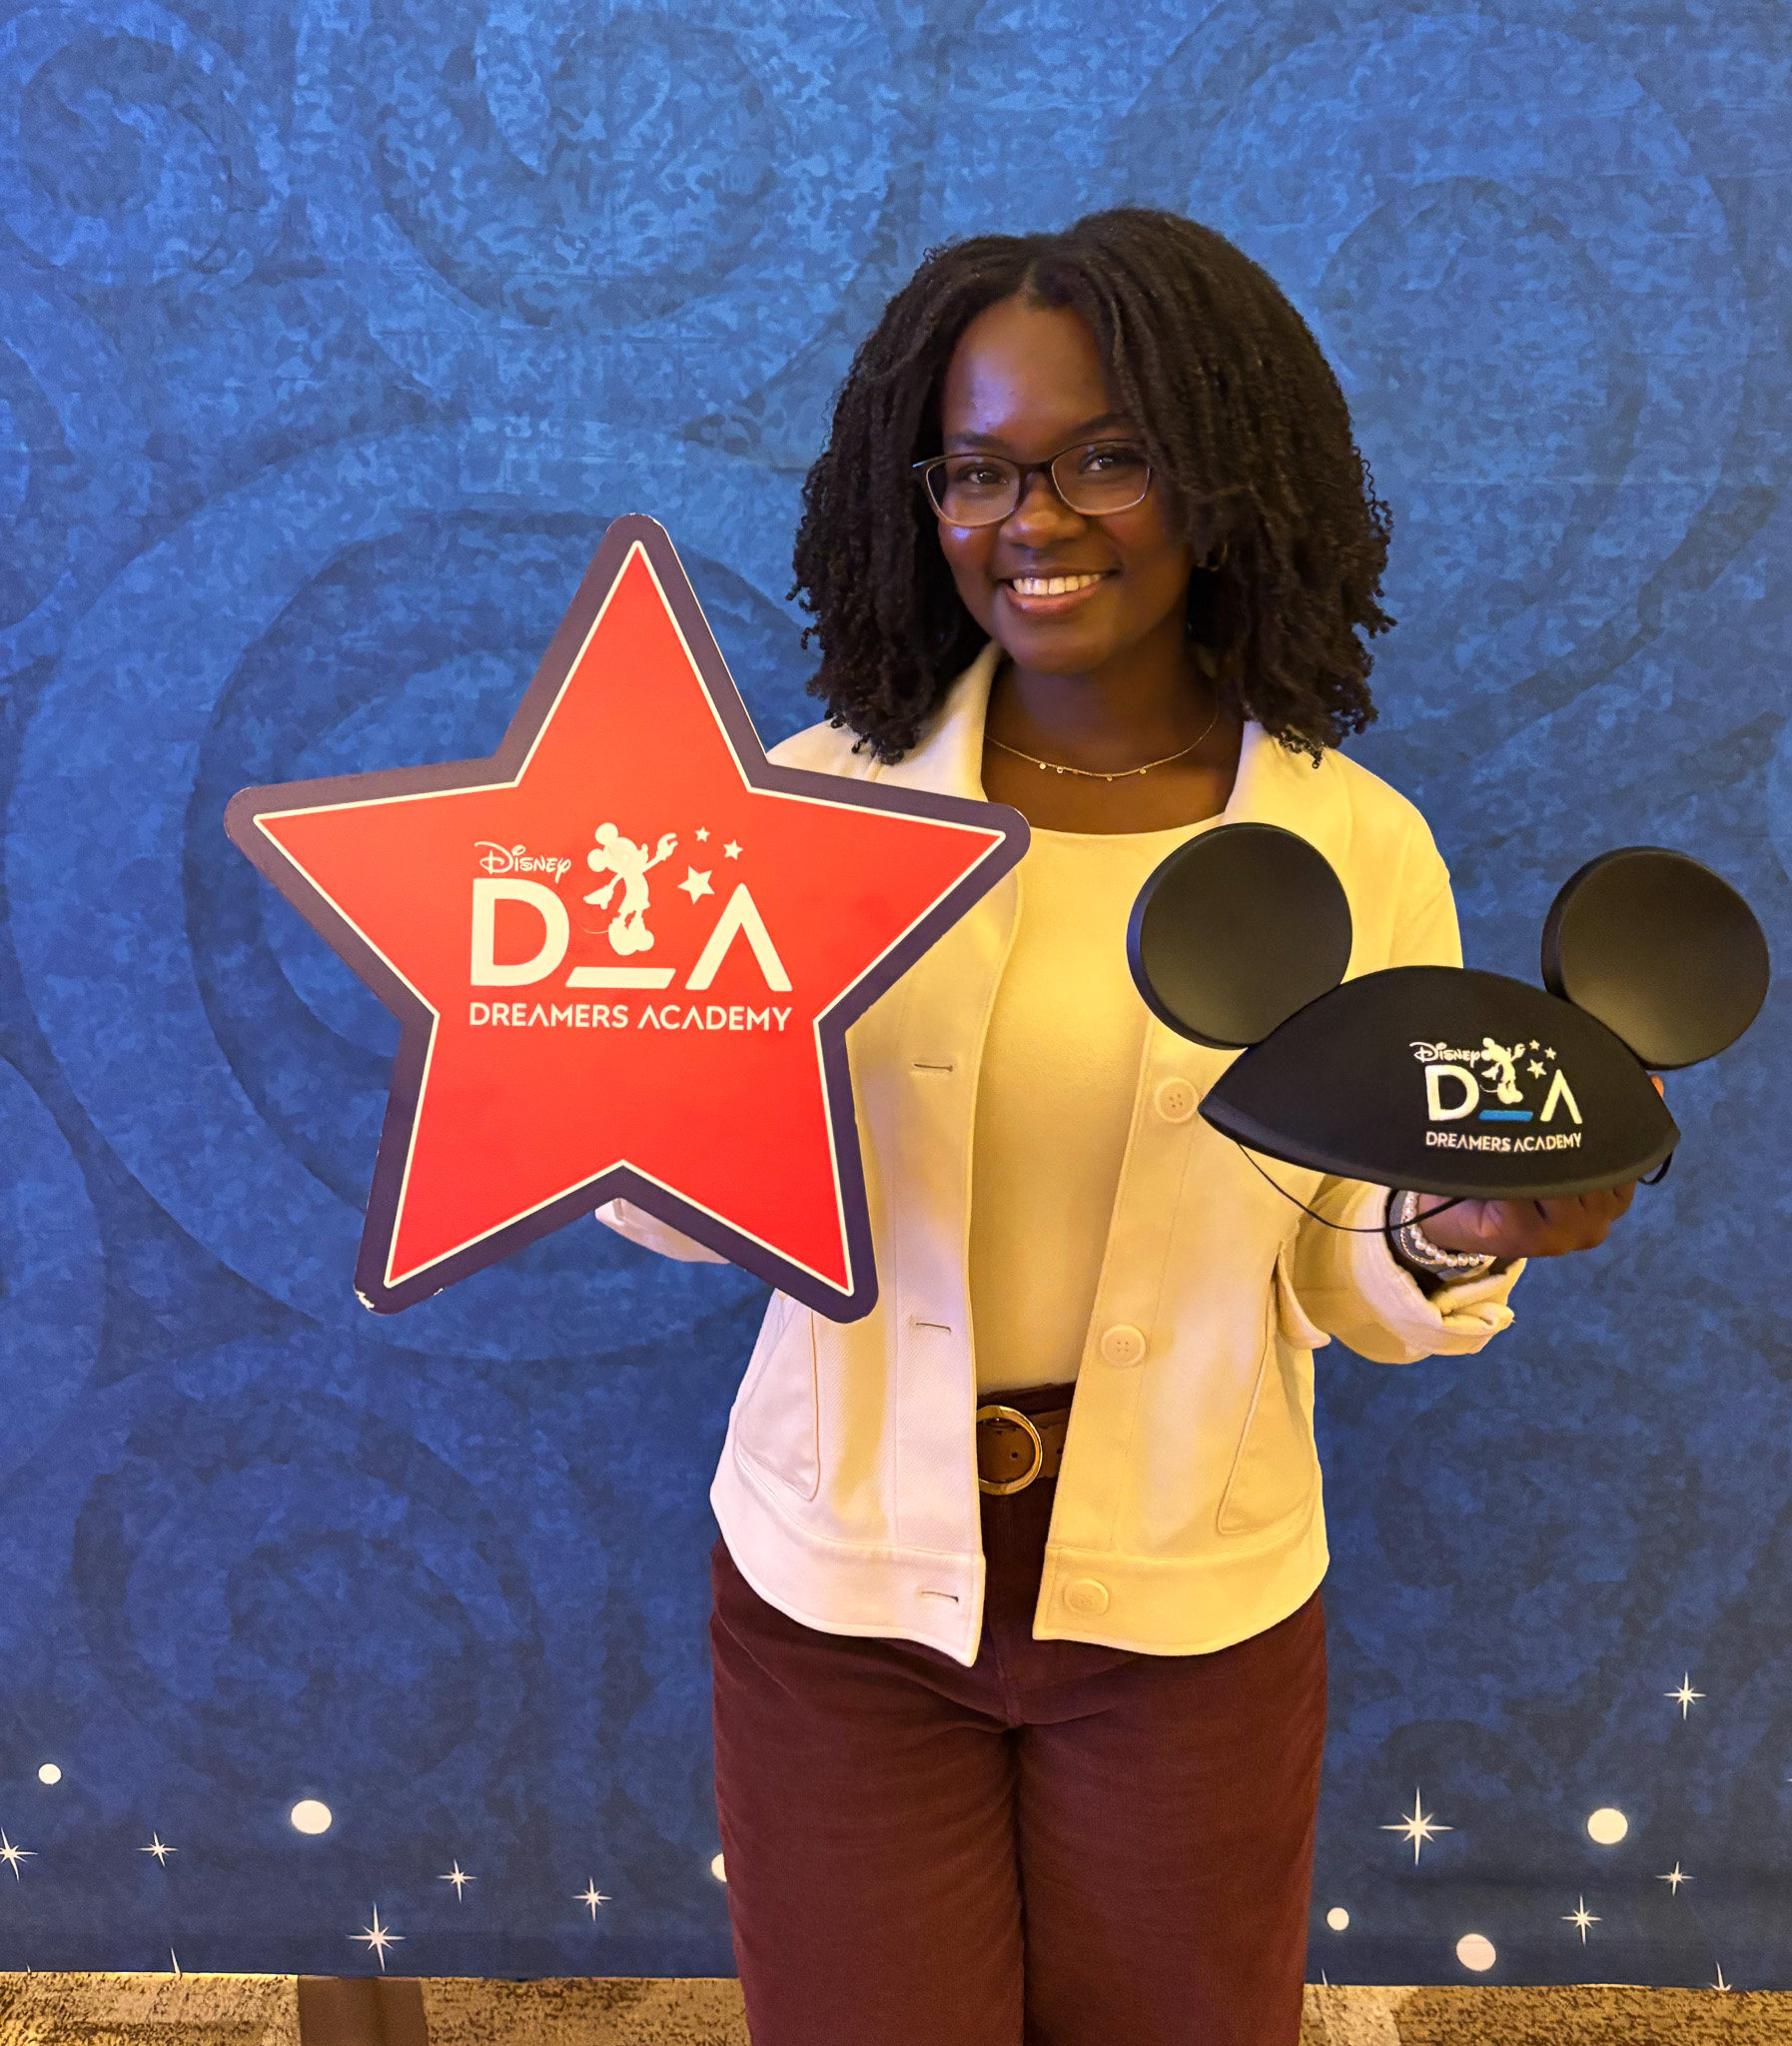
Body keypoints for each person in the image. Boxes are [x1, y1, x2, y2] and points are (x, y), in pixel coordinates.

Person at [598, 209, 1639, 2046]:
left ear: (1224, 476)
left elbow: (1341, 1269)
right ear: (917, 499)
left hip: (1190, 1598)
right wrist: (600, 1080)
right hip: (844, 1594)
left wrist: (1455, 1236)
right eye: (981, 469)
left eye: (1106, 457)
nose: (1037, 519)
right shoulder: (808, 807)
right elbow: (675, 1211)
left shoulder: (1352, 843)